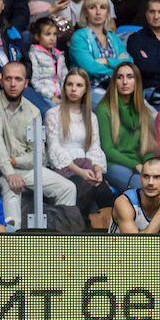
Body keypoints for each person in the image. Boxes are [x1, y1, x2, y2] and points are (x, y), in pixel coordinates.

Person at [0, 61, 76, 228]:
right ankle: (12, 247)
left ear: (25, 84)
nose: (12, 84)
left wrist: (15, 161)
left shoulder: (33, 111)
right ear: (1, 81)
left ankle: (62, 243)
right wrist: (10, 172)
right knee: (12, 190)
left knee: (68, 187)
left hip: (25, 169)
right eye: (8, 79)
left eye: (18, 79)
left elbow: (39, 155)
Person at [44, 68, 115, 228]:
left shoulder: (91, 116)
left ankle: (110, 237)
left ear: (85, 90)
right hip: (65, 169)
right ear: (64, 87)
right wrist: (81, 172)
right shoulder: (53, 114)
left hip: (87, 165)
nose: (74, 89)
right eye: (69, 84)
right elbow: (54, 149)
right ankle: (78, 234)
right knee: (83, 188)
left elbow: (94, 147)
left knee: (104, 191)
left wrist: (97, 169)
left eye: (79, 85)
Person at [96, 62, 157, 191]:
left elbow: (148, 148)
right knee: (141, 185)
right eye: (120, 77)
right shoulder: (104, 110)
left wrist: (149, 165)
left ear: (137, 81)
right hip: (113, 164)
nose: (125, 82)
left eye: (130, 77)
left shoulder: (143, 110)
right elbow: (107, 150)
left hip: (139, 165)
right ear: (114, 82)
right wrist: (135, 165)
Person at [68, 0, 132, 94]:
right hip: (88, 89)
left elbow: (129, 62)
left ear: (107, 13)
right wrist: (119, 69)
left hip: (116, 86)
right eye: (92, 7)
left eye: (103, 7)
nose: (98, 12)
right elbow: (90, 68)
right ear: (85, 13)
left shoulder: (113, 36)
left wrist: (106, 61)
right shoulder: (79, 37)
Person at [127, 0, 160, 108]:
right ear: (146, 14)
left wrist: (151, 62)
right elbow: (141, 67)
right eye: (152, 12)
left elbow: (148, 66)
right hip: (147, 92)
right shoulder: (135, 39)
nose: (156, 16)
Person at [108, 157, 160, 233]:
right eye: (146, 176)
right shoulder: (124, 202)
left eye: (157, 177)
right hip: (120, 245)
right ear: (140, 178)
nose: (150, 182)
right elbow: (136, 243)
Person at [28, 17, 67, 105]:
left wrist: (66, 94)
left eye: (54, 34)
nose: (52, 38)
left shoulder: (59, 55)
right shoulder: (34, 53)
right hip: (44, 96)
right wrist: (51, 96)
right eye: (48, 34)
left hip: (61, 96)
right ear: (37, 37)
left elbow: (65, 76)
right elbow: (35, 81)